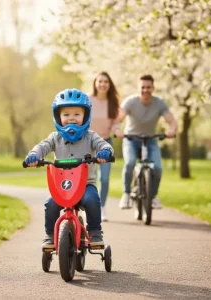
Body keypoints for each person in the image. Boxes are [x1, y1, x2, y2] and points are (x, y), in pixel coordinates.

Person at [25, 88, 114, 248]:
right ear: (58, 117)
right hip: (63, 186)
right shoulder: (55, 138)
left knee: (92, 200)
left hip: (86, 185)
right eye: (66, 115)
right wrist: (34, 155)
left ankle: (94, 232)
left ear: (86, 116)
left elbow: (104, 144)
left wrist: (105, 152)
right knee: (50, 204)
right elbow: (42, 147)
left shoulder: (91, 136)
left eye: (77, 114)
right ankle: (50, 235)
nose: (71, 119)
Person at [116, 74, 177, 209]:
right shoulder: (130, 101)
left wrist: (171, 130)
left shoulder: (159, 103)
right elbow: (118, 119)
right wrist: (117, 130)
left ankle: (153, 196)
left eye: (148, 87)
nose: (145, 90)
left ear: (153, 88)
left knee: (158, 168)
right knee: (130, 163)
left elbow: (171, 121)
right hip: (131, 139)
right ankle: (126, 194)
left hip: (150, 140)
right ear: (138, 88)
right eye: (143, 87)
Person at [89, 71, 122, 222]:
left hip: (105, 143)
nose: (103, 84)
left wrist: (117, 129)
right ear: (95, 83)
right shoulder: (87, 100)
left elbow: (115, 122)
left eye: (106, 82)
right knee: (89, 177)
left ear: (109, 85)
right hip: (88, 143)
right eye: (100, 81)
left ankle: (101, 208)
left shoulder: (113, 103)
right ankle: (88, 206)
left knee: (105, 178)